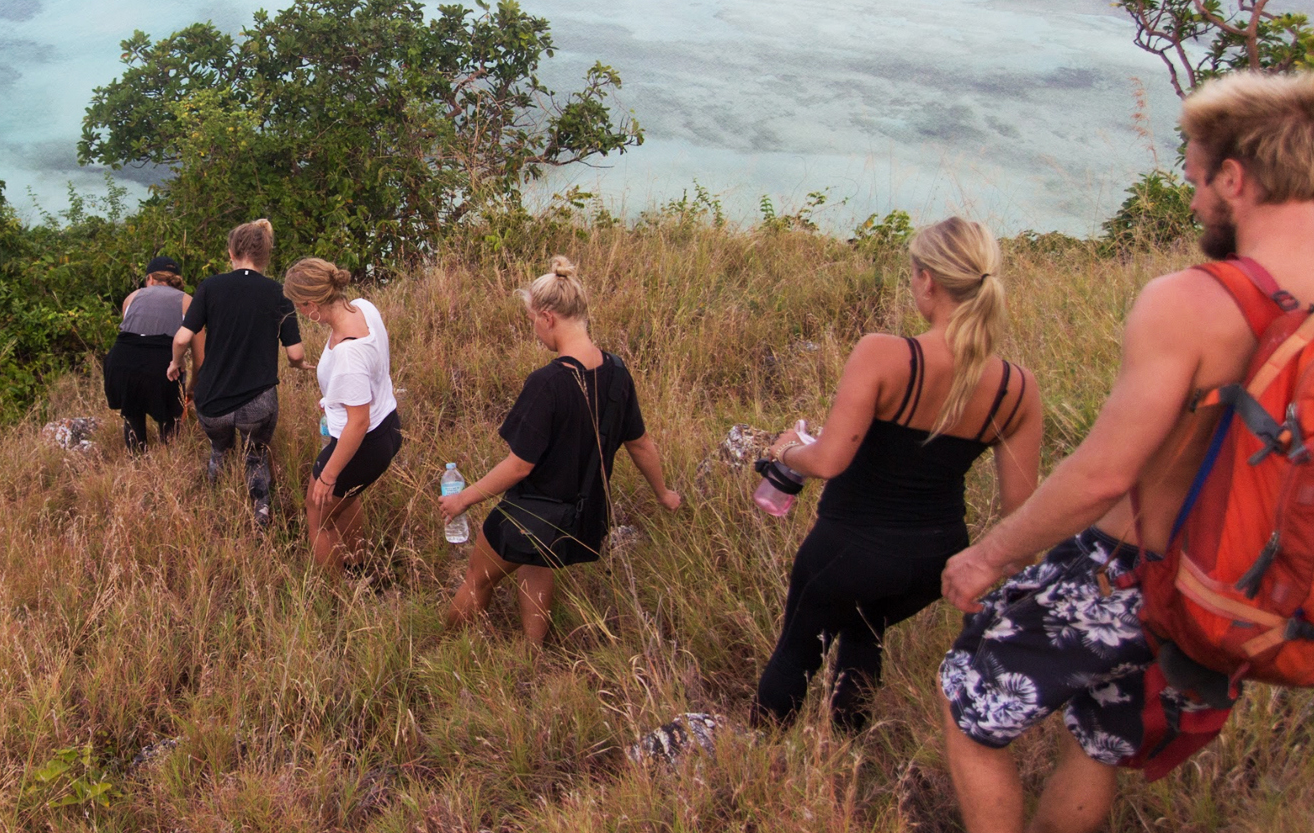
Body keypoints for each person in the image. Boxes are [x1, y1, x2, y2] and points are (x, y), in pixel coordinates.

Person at [937, 71, 1314, 833]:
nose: (1193, 196)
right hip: (1236, 595)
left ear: (1235, 180)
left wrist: (988, 558)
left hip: (1126, 570)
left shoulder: (1193, 300)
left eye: (1196, 178)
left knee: (967, 702)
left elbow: (1105, 471)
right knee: (1103, 741)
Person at [752, 217, 1042, 732]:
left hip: (849, 548)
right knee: (866, 632)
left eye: (913, 275)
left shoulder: (884, 354)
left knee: (796, 655)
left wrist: (788, 450)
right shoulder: (1018, 388)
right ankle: (847, 746)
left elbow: (830, 461)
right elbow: (1024, 513)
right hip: (935, 558)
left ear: (927, 279)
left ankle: (750, 769)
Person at [438, 256, 683, 646]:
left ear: (548, 317)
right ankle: (532, 654)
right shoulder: (618, 372)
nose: (535, 329)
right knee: (536, 563)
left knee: (477, 578)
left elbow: (519, 466)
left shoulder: (547, 383)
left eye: (533, 319)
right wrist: (664, 494)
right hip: (585, 516)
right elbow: (640, 443)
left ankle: (444, 648)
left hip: (532, 510)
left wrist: (464, 499)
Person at [170, 219, 304, 529]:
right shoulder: (278, 294)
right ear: (266, 255)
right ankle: (261, 511)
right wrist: (302, 366)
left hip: (213, 402)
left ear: (232, 252)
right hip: (258, 402)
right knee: (255, 455)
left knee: (219, 450)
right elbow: (295, 354)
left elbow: (181, 338)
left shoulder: (210, 287)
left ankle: (217, 505)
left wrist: (176, 364)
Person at [284, 257, 403, 576]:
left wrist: (328, 474)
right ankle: (358, 567)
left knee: (318, 515)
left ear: (311, 304)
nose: (300, 313)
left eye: (298, 305)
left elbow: (358, 422)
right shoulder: (363, 307)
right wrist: (336, 398)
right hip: (388, 424)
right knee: (348, 500)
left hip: (362, 444)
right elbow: (369, 377)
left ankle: (336, 598)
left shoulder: (349, 352)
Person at [104, 255, 195, 452]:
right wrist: (191, 390)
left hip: (121, 363)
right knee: (170, 423)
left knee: (133, 413)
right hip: (162, 364)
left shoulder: (132, 297)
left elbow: (131, 337)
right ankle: (168, 459)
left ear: (150, 279)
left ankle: (136, 463)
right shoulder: (188, 301)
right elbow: (200, 357)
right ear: (177, 281)